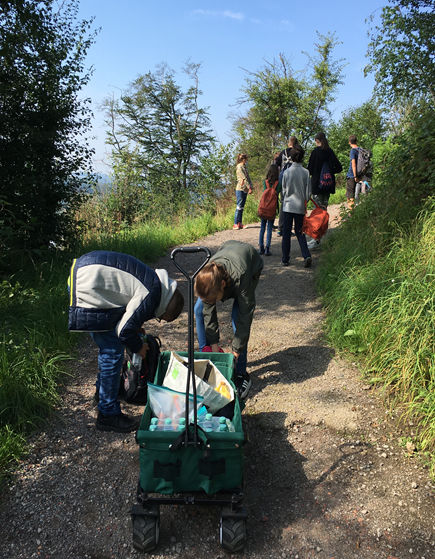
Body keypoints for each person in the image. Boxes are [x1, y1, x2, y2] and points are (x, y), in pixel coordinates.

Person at [68, 250, 184, 433]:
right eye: (161, 318)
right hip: (88, 285)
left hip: (85, 273)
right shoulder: (152, 294)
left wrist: (135, 327)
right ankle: (108, 414)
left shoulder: (154, 282)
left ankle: (102, 394)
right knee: (112, 352)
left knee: (109, 347)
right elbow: (124, 331)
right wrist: (139, 348)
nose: (157, 319)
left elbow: (126, 299)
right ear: (163, 309)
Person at [194, 240, 263, 399]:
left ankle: (240, 373)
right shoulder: (209, 275)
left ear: (223, 285)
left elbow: (246, 317)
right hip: (228, 248)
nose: (210, 302)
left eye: (212, 299)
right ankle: (207, 354)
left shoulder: (241, 276)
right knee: (199, 308)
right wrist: (214, 346)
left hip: (250, 265)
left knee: (238, 316)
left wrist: (235, 351)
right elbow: (208, 313)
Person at [307, 131, 342, 249]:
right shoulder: (330, 152)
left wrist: (317, 172)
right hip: (327, 186)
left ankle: (315, 238)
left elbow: (309, 170)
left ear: (317, 141)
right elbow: (339, 167)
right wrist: (329, 172)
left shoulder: (315, 153)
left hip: (317, 186)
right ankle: (322, 236)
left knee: (317, 212)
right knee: (324, 211)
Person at [280, 147, 312, 268]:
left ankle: (285, 259)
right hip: (299, 207)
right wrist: (305, 200)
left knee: (286, 234)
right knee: (300, 232)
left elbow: (283, 191)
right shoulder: (306, 172)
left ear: (291, 158)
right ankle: (306, 255)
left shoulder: (287, 172)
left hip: (288, 206)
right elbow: (308, 194)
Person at [275, 136, 302, 236]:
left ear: (288, 143)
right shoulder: (296, 152)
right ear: (296, 143)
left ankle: (280, 228)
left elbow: (276, 164)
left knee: (283, 202)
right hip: (294, 179)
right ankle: (292, 228)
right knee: (293, 202)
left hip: (283, 178)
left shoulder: (283, 152)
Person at [258, 163, 281, 255]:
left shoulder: (265, 182)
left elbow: (264, 192)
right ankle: (267, 248)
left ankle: (261, 248)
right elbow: (278, 193)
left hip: (264, 208)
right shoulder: (278, 183)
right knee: (269, 228)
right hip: (272, 209)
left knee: (262, 228)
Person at [234, 153, 253, 230]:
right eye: (246, 159)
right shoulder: (239, 167)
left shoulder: (244, 167)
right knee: (239, 206)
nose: (247, 160)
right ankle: (235, 223)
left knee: (242, 207)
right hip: (240, 189)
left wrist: (250, 186)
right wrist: (249, 188)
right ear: (243, 159)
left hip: (244, 189)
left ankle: (240, 223)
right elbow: (244, 178)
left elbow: (248, 177)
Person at [346, 134, 360, 210]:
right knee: (357, 194)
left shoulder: (353, 151)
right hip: (360, 174)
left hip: (352, 175)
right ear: (356, 141)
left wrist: (355, 176)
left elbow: (353, 164)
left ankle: (351, 214)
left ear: (349, 142)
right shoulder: (360, 150)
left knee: (350, 195)